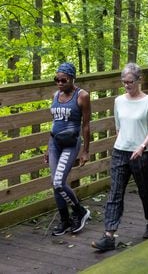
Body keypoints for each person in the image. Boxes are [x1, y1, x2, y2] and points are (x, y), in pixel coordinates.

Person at [91, 63, 148, 251]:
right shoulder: (119, 101)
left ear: (139, 80)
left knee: (145, 191)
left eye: (130, 82)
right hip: (120, 151)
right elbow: (118, 126)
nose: (127, 85)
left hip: (142, 153)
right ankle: (109, 235)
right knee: (115, 192)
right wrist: (125, 143)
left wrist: (141, 146)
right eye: (124, 82)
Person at [44, 62, 91, 236]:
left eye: (63, 79)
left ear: (72, 78)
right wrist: (47, 148)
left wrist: (86, 151)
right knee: (55, 184)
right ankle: (65, 221)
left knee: (58, 182)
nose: (59, 82)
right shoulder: (55, 95)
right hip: (54, 143)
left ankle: (80, 211)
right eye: (56, 79)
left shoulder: (82, 96)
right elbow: (54, 122)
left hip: (71, 144)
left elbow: (85, 125)